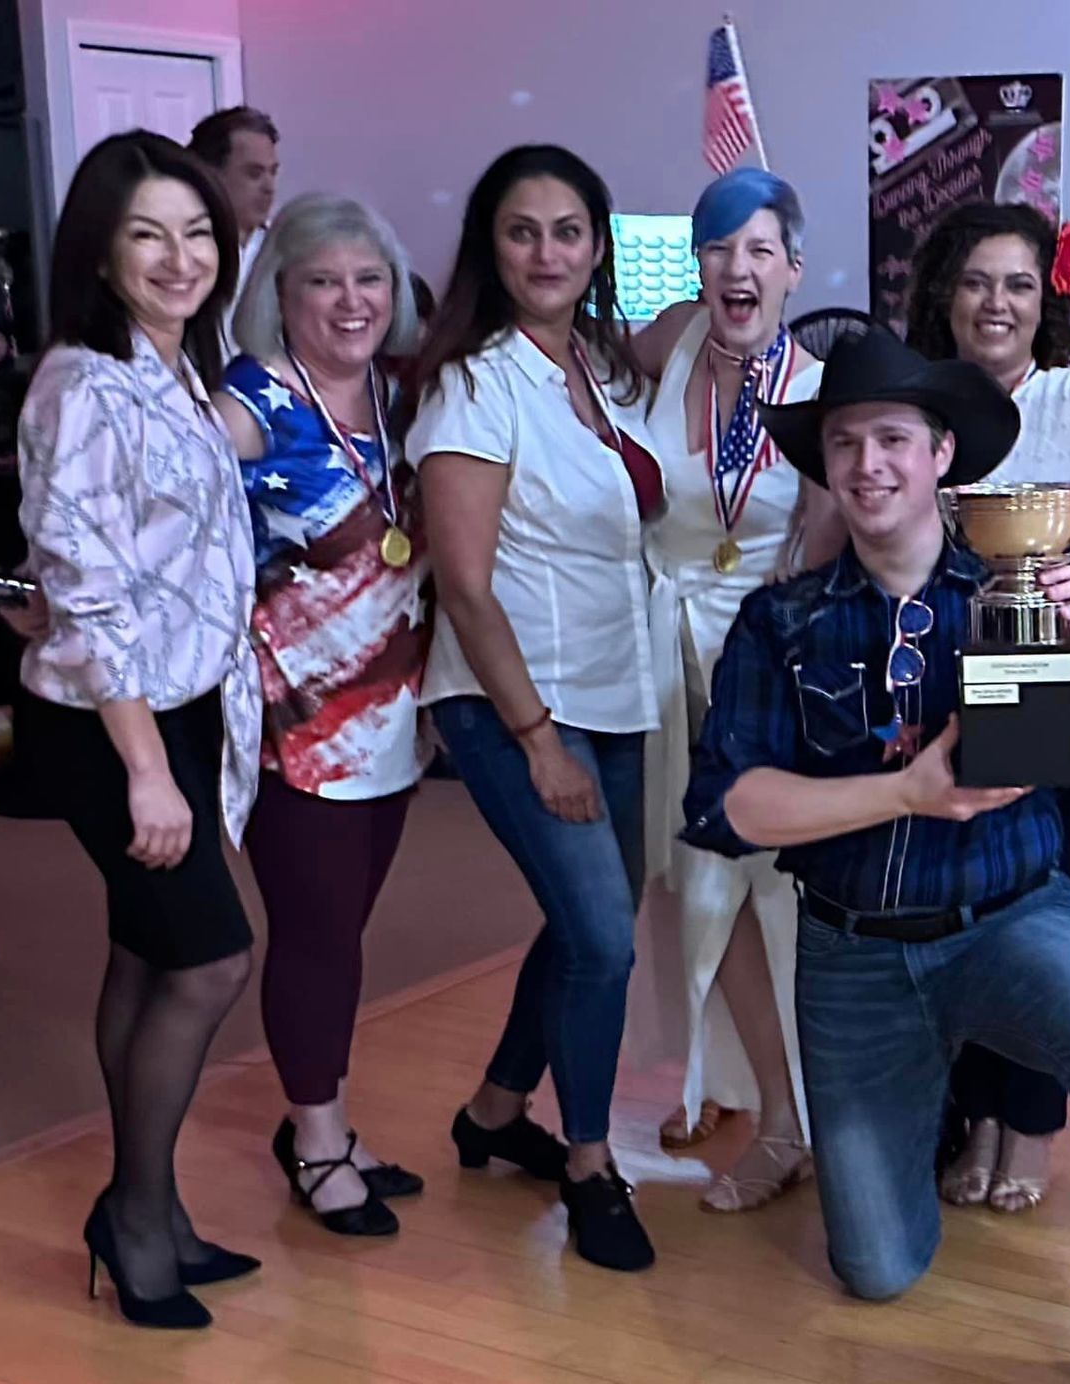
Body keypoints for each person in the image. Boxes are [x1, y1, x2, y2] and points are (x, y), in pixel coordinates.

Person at [681, 327, 1070, 1384]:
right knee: (877, 1270)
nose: (868, 464)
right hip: (853, 960)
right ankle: (911, 1107)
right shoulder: (782, 623)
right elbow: (732, 808)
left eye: (893, 437)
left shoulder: (1019, 594)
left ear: (943, 455)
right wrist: (907, 792)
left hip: (1015, 923)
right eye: (845, 443)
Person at [13, 130, 262, 1328]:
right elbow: (89, 589)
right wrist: (149, 772)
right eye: (148, 235)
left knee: (145, 951)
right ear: (101, 254)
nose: (180, 258)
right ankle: (136, 1209)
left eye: (198, 233)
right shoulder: (81, 380)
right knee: (212, 957)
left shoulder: (171, 368)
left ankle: (154, 1211)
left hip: (185, 705)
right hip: (116, 726)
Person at [407, 145, 663, 1272]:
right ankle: (594, 1160)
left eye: (569, 230)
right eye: (523, 230)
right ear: (489, 246)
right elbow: (462, 582)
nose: (547, 251)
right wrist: (535, 739)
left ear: (599, 246)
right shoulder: (472, 380)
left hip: (618, 693)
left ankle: (496, 1112)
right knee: (605, 940)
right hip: (520, 708)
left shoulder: (600, 371)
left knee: (582, 922)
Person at [901, 200, 1070, 1215]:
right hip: (938, 695)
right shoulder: (916, 398)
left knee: (1041, 920)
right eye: (977, 280)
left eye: (1019, 283)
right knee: (960, 916)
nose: (996, 303)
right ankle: (973, 1115)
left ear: (1049, 295)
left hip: (1060, 698)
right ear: (945, 290)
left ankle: (1028, 1125)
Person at [212, 192, 429, 1236]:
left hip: (393, 708)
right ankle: (315, 1138)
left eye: (368, 279)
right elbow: (152, 497)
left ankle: (324, 1118)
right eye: (322, 281)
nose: (350, 300)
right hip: (291, 721)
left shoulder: (400, 394)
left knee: (347, 929)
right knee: (315, 937)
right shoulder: (249, 403)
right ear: (280, 296)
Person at [625, 168, 827, 1209]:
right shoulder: (662, 347)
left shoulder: (820, 390)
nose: (736, 269)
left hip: (770, 674)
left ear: (794, 268)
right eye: (717, 249)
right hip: (666, 660)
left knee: (773, 897)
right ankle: (733, 1091)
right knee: (697, 894)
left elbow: (826, 549)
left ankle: (798, 1118)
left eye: (758, 250)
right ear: (695, 266)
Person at [187, 107, 280, 346]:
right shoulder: (183, 256)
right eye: (254, 173)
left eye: (273, 172)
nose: (269, 187)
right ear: (211, 175)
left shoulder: (283, 252)